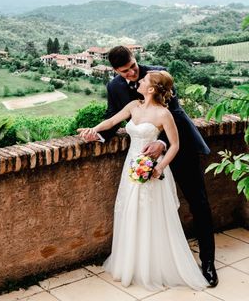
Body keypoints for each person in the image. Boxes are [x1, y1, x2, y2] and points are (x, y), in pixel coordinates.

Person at [80, 46, 217, 287]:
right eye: (125, 70)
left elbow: (174, 116)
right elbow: (113, 117)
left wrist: (162, 144)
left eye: (134, 66)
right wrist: (97, 135)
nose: (132, 72)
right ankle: (145, 261)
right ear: (115, 71)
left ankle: (208, 262)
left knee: (199, 203)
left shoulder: (158, 76)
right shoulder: (114, 87)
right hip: (140, 158)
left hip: (180, 150)